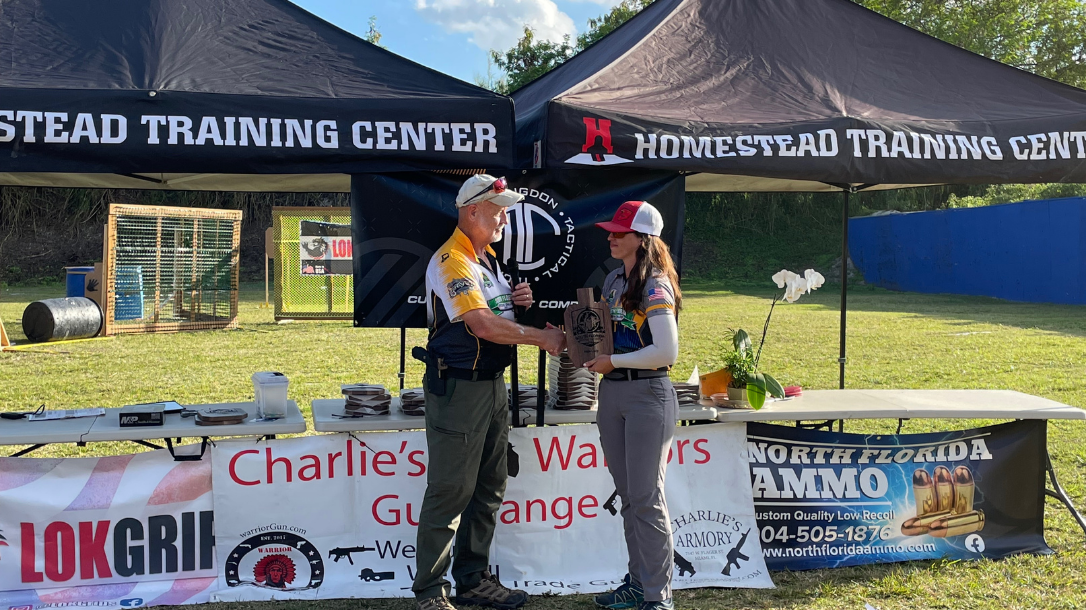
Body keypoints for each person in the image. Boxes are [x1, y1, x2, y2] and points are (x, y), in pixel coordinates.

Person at [414, 174, 567, 610]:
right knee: (450, 491)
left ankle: (473, 579)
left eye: (505, 207)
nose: (504, 216)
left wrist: (520, 304)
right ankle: (430, 591)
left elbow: (495, 318)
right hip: (459, 387)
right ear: (472, 211)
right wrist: (540, 337)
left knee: (489, 487)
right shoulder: (453, 261)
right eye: (498, 208)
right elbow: (480, 324)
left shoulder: (489, 261)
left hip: (491, 386)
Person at [584, 201, 682, 610]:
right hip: (614, 392)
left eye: (619, 232)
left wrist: (614, 361)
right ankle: (638, 582)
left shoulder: (655, 285)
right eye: (610, 231)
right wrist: (577, 335)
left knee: (646, 497)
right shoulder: (611, 280)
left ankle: (659, 598)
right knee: (629, 496)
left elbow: (667, 351)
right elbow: (606, 337)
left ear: (642, 241)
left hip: (647, 394)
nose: (610, 236)